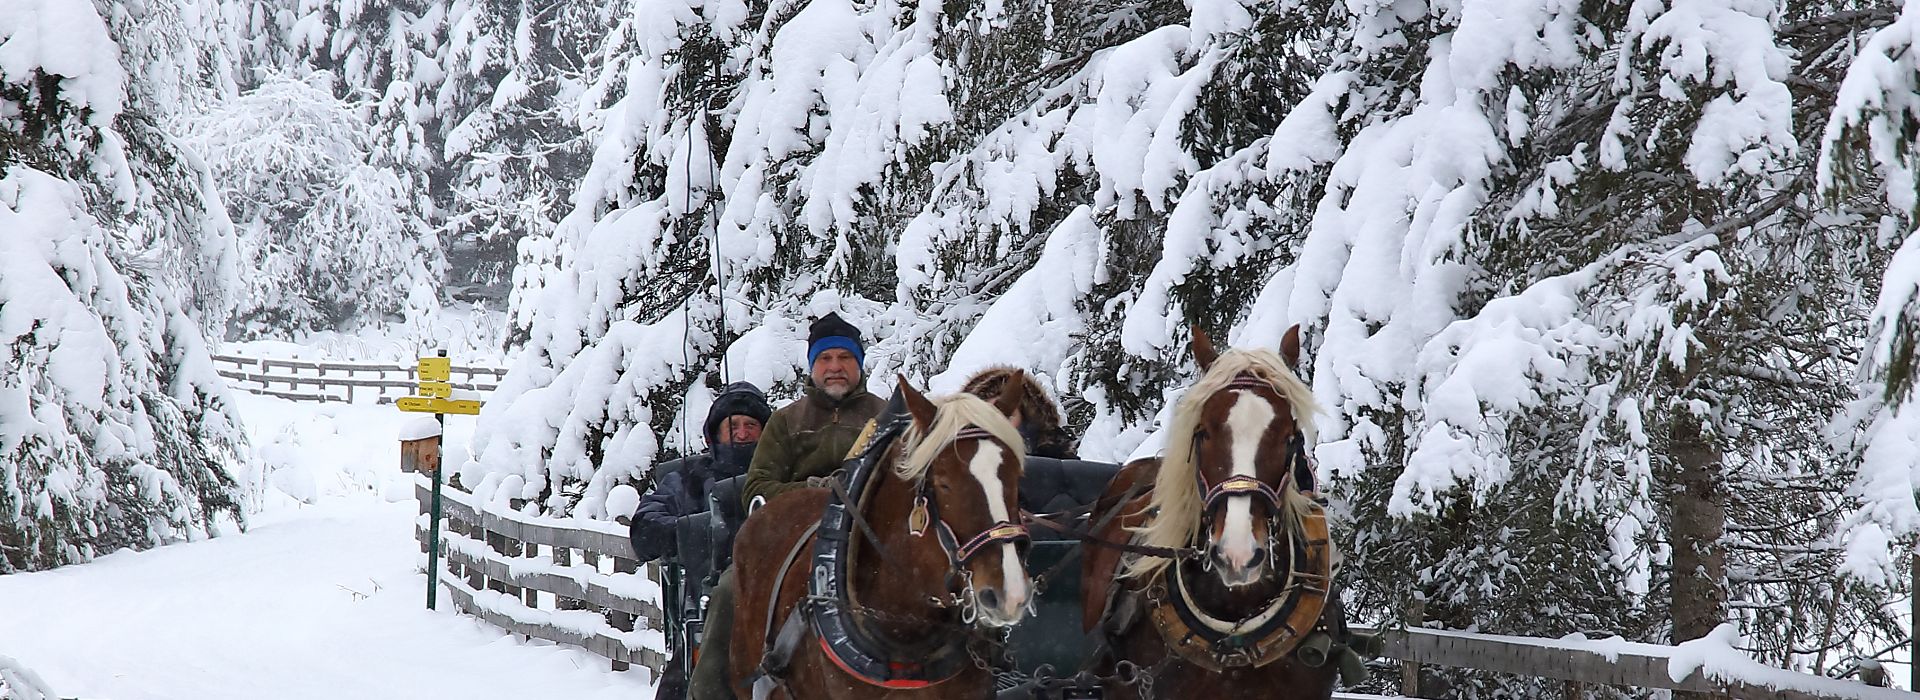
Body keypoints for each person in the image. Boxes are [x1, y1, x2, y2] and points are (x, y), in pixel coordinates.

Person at [689, 312, 889, 700]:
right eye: (825, 358)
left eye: (844, 358)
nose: (835, 367)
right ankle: (711, 691)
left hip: (873, 542)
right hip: (794, 542)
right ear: (812, 365)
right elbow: (757, 487)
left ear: (859, 364)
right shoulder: (786, 422)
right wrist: (816, 493)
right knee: (730, 589)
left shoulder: (886, 417)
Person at [627, 382, 771, 564]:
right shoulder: (692, 478)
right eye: (732, 426)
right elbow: (644, 527)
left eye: (750, 425)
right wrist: (689, 531)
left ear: (765, 431)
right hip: (712, 575)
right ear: (716, 433)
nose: (742, 434)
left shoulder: (781, 470)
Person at [960, 365, 1079, 459]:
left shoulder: (1060, 464)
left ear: (1025, 417)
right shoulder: (956, 468)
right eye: (987, 416)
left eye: (1007, 415)